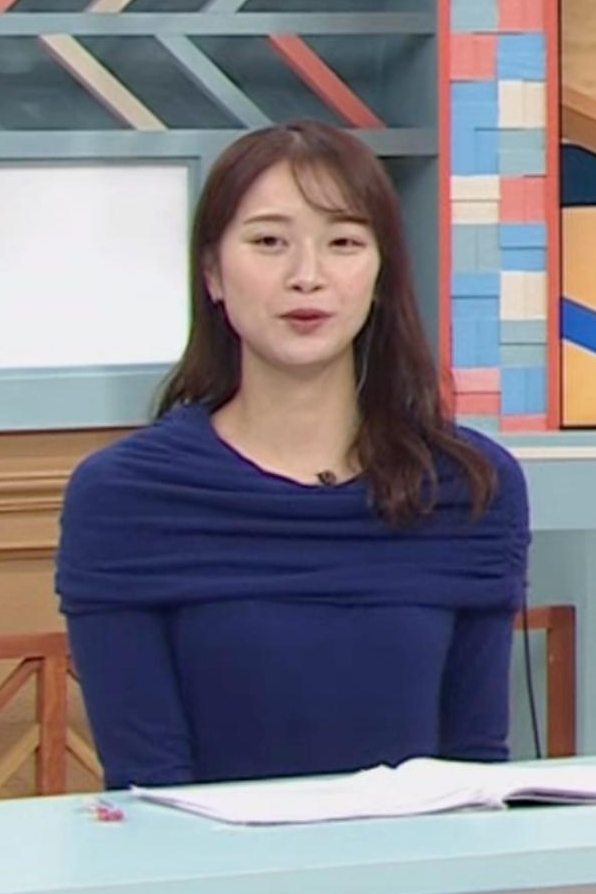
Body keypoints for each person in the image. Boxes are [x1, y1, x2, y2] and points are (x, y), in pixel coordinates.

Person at [56, 120, 530, 791]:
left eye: (343, 243)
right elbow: (147, 788)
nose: (307, 277)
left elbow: (472, 771)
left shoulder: (468, 488)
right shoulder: (127, 498)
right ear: (213, 273)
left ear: (381, 274)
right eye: (269, 242)